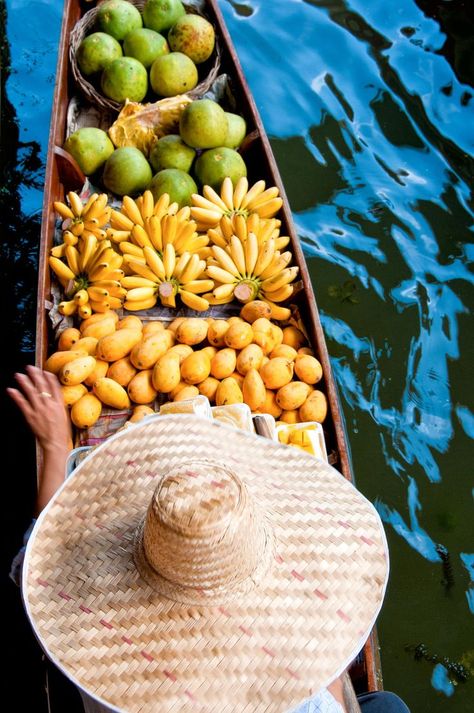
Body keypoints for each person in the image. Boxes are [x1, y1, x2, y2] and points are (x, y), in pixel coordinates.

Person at [9, 366, 410, 713]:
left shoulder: (91, 638)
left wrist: (54, 446)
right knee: (388, 706)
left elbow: (37, 567)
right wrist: (316, 637)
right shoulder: (307, 703)